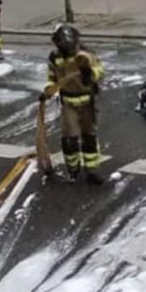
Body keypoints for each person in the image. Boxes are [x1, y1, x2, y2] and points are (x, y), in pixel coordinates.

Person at [40, 24, 106, 185]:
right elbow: (52, 78)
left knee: (89, 137)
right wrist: (48, 90)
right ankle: (73, 169)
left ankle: (92, 171)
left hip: (87, 103)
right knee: (70, 139)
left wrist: (89, 74)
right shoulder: (55, 58)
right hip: (69, 104)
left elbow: (100, 71)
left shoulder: (85, 55)